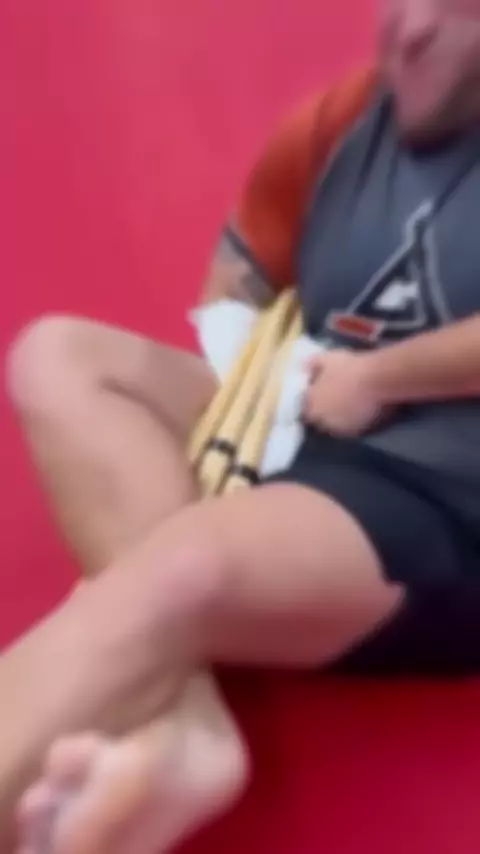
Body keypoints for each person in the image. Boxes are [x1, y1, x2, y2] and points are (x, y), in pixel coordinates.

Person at [6, 0, 480, 851]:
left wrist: (381, 376)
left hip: (445, 495)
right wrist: (248, 361)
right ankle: (185, 726)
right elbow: (239, 280)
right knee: (60, 357)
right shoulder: (341, 121)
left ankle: (155, 651)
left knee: (186, 563)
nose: (411, 27)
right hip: (307, 431)